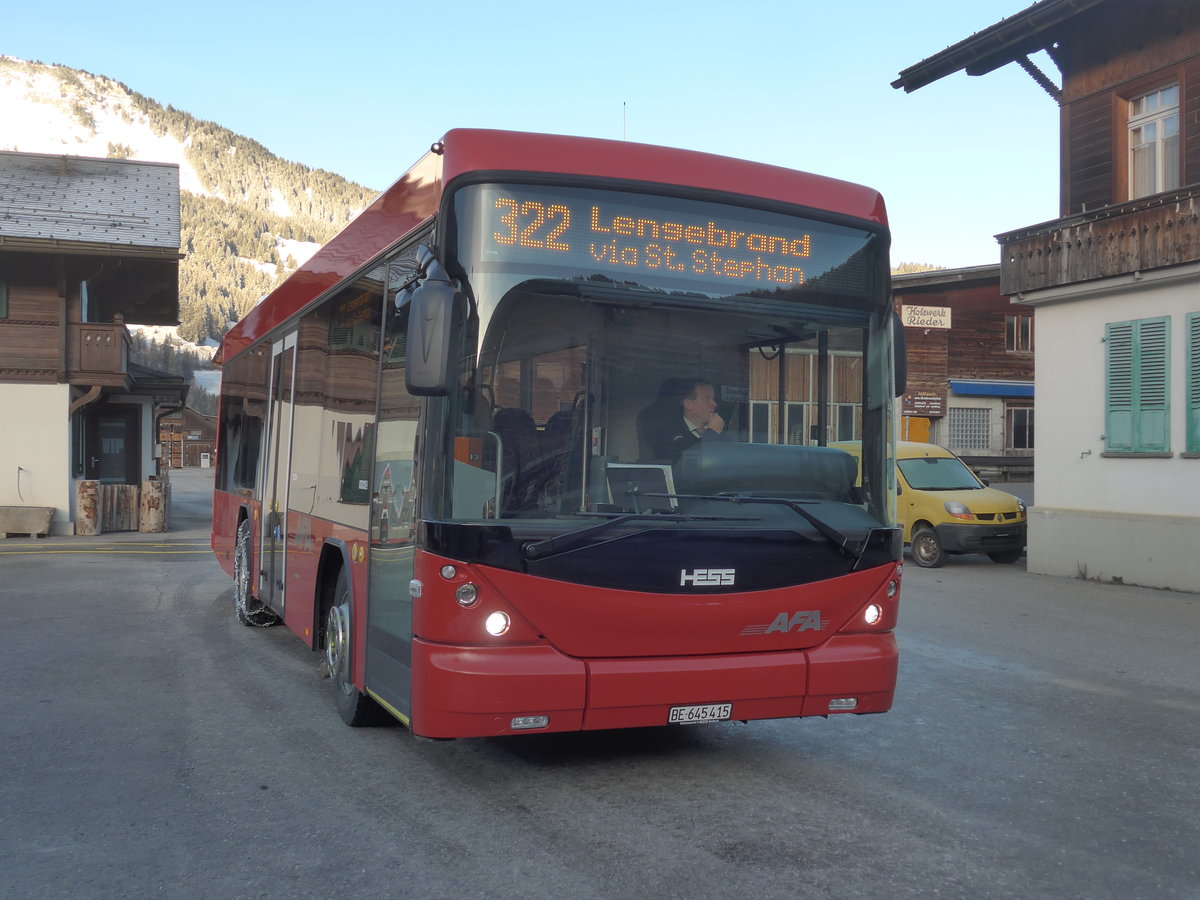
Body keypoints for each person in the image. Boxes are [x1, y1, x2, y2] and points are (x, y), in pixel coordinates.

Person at [638, 378, 726, 462]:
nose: (714, 404)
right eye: (707, 399)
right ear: (688, 404)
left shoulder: (723, 433)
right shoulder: (668, 434)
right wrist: (711, 434)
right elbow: (682, 462)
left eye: (713, 399)